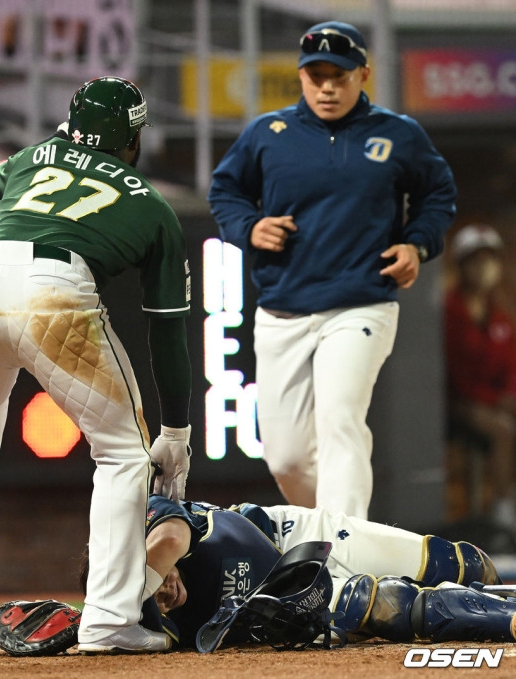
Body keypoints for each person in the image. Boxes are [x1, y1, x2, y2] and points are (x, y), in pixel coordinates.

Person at [0, 76, 192, 655]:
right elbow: (167, 327)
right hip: (53, 289)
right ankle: (109, 621)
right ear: (131, 139)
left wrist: (63, 151)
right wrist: (176, 430)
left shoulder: (35, 157)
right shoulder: (152, 203)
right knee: (121, 453)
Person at [207, 20, 457, 518]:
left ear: (363, 74)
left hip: (361, 302)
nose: (326, 87)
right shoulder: (268, 133)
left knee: (340, 421)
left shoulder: (397, 134)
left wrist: (417, 246)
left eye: (338, 76)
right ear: (300, 76)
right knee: (287, 458)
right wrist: (249, 228)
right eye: (315, 75)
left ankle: (341, 556)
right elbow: (225, 191)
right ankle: (342, 534)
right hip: (283, 308)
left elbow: (438, 193)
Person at [78, 493, 507, 650]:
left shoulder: (151, 518)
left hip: (293, 534)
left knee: (466, 564)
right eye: (149, 599)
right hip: (289, 596)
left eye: (149, 582)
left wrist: (137, 589)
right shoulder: (147, 626)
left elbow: (168, 543)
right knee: (385, 606)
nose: (162, 594)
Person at [445, 224, 516, 525]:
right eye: (476, 260)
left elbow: (511, 364)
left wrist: (508, 395)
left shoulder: (498, 313)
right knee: (503, 429)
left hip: (492, 401)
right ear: (462, 265)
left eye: (490, 259)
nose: (484, 267)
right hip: (456, 404)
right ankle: (503, 515)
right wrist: (494, 400)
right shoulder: (448, 311)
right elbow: (456, 374)